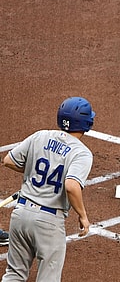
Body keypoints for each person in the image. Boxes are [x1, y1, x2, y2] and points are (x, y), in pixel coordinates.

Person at [1, 97, 95, 281]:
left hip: (20, 214)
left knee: (14, 274)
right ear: (87, 123)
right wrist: (83, 215)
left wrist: (32, 169)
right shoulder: (81, 153)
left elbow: (9, 161)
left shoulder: (40, 136)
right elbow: (71, 185)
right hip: (48, 222)